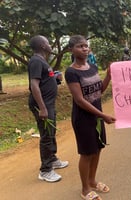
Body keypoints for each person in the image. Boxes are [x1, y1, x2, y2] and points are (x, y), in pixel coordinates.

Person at [65, 35, 116, 200]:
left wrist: (108, 75)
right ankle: (85, 189)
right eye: (80, 46)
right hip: (83, 119)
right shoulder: (71, 72)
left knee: (98, 149)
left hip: (97, 116)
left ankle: (92, 180)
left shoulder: (92, 67)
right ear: (71, 49)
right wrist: (103, 115)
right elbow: (80, 100)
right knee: (87, 153)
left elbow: (98, 90)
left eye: (86, 46)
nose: (85, 49)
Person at [28, 35, 68, 183]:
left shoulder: (42, 61)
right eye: (48, 43)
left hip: (48, 103)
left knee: (51, 132)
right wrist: (42, 108)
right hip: (42, 105)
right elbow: (34, 85)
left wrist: (54, 80)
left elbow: (44, 81)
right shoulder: (36, 61)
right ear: (43, 46)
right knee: (46, 135)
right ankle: (45, 171)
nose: (50, 45)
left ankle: (52, 159)